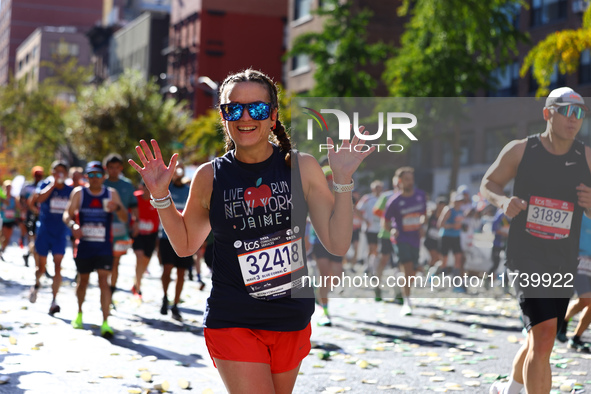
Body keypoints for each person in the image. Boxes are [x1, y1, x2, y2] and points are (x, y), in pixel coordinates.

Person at [129, 68, 373, 394]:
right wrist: (161, 196)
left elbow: (338, 244)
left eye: (257, 109)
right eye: (234, 109)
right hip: (233, 318)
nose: (245, 116)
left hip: (291, 317)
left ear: (272, 117)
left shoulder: (302, 168)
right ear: (224, 116)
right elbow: (186, 245)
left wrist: (343, 181)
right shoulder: (209, 176)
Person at [481, 87, 591, 394]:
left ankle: (509, 390)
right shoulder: (521, 149)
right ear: (548, 113)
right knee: (543, 336)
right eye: (567, 111)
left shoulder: (586, 157)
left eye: (580, 112)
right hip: (525, 254)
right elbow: (488, 183)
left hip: (563, 258)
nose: (574, 118)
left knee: (539, 338)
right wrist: (502, 202)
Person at [63, 161, 128, 338]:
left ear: (104, 177)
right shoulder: (79, 193)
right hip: (84, 246)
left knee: (103, 282)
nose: (94, 178)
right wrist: (73, 225)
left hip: (104, 247)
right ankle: (79, 313)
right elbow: (67, 214)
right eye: (91, 175)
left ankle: (106, 322)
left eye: (98, 175)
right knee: (82, 281)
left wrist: (118, 208)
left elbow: (124, 218)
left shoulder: (110, 194)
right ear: (86, 177)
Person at [28, 161, 73, 314]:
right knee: (41, 266)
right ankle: (36, 283)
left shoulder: (70, 190)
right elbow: (38, 199)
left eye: (62, 171)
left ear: (66, 174)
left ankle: (54, 300)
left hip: (60, 234)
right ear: (52, 172)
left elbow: (74, 209)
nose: (59, 174)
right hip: (44, 232)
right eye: (56, 171)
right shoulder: (44, 184)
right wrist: (53, 185)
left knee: (58, 266)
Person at [383, 167, 427, 316]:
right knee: (408, 268)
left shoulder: (421, 196)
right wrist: (392, 230)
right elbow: (385, 222)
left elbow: (424, 215)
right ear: (400, 182)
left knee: (412, 271)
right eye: (407, 179)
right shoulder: (394, 201)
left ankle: (400, 283)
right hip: (401, 238)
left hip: (415, 238)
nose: (410, 182)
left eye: (411, 179)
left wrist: (422, 225)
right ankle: (407, 301)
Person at [157, 162, 193, 321]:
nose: (179, 171)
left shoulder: (189, 191)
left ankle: (176, 304)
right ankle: (165, 297)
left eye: (181, 169)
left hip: (185, 237)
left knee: (181, 272)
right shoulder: (167, 188)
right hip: (166, 237)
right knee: (167, 269)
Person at [310, 166, 344, 327]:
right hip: (319, 241)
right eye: (327, 179)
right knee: (324, 274)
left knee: (336, 276)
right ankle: (325, 311)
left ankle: (320, 293)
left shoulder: (342, 195)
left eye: (333, 179)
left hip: (336, 241)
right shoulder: (315, 196)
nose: (330, 182)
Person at [103, 153, 138, 304]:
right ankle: (104, 291)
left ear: (121, 168)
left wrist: (135, 222)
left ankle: (111, 290)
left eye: (117, 168)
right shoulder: (100, 184)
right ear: (106, 168)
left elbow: (134, 206)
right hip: (102, 227)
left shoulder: (127, 185)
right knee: (104, 262)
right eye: (111, 168)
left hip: (120, 228)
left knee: (116, 261)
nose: (114, 170)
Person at [556, 211, 591, 353]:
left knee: (588, 302)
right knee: (586, 299)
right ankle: (563, 321)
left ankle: (576, 338)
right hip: (579, 261)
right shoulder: (579, 213)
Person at [130, 181, 160, 301]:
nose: (147, 191)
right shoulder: (135, 198)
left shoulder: (157, 200)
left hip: (151, 235)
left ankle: (136, 282)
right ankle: (138, 287)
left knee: (145, 260)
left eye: (150, 188)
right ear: (141, 187)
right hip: (138, 234)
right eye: (145, 188)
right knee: (139, 257)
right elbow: (127, 212)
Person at [437, 192, 465, 292]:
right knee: (444, 260)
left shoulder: (461, 211)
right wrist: (453, 226)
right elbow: (440, 224)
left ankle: (455, 282)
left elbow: (460, 223)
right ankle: (438, 276)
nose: (459, 203)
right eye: (458, 201)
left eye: (461, 201)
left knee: (458, 258)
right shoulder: (448, 210)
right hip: (446, 236)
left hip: (456, 237)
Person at [356, 180, 383, 273]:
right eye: (376, 188)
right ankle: (367, 267)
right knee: (371, 248)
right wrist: (365, 220)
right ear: (372, 189)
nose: (378, 190)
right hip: (370, 228)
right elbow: (357, 209)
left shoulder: (384, 198)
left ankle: (373, 268)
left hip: (381, 228)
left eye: (380, 188)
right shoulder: (367, 198)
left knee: (378, 250)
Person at [20, 166, 44, 268]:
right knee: (33, 238)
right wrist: (25, 208)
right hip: (31, 216)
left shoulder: (44, 186)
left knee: (39, 239)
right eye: (36, 175)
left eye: (40, 175)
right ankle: (38, 264)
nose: (38, 177)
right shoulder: (27, 187)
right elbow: (21, 199)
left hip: (42, 216)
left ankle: (30, 256)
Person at [424, 196, 446, 273]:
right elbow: (425, 220)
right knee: (434, 257)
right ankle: (428, 272)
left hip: (438, 240)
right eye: (440, 205)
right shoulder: (432, 214)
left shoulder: (445, 216)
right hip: (430, 239)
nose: (441, 207)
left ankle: (429, 271)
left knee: (437, 258)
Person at [0, 180, 19, 257]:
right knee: (3, 236)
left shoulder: (14, 198)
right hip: (3, 219)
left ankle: (2, 250)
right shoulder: (1, 197)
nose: (9, 189)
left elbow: (18, 207)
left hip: (11, 219)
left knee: (8, 238)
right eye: (7, 187)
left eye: (10, 187)